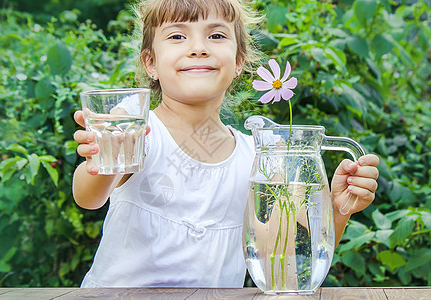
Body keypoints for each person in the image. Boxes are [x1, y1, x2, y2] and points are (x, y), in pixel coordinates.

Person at [72, 0, 380, 288]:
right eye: (177, 36)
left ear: (238, 62)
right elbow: (88, 198)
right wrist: (103, 159)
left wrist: (337, 212)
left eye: (216, 35)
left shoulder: (257, 160)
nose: (198, 48)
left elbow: (285, 271)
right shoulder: (137, 127)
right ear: (151, 63)